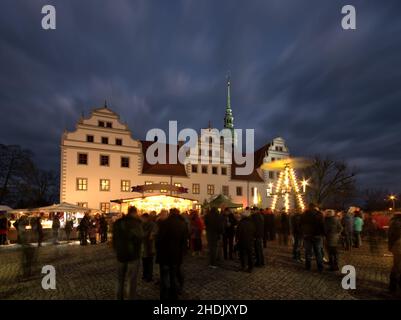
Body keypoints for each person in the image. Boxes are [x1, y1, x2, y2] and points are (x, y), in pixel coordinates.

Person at [156, 208, 188, 300]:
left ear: (170, 213)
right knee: (173, 276)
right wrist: (182, 253)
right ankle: (174, 295)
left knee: (165, 277)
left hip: (164, 255)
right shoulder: (182, 224)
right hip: (176, 255)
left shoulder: (165, 223)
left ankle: (164, 296)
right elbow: (184, 241)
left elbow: (159, 240)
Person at [112, 206, 144, 300]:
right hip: (133, 255)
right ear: (134, 212)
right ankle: (130, 298)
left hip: (120, 254)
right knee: (131, 280)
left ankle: (118, 298)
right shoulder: (136, 223)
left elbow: (114, 238)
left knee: (120, 279)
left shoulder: (118, 222)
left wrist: (117, 249)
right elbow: (140, 237)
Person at [301, 203, 325, 272]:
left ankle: (308, 266)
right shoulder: (319, 214)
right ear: (315, 207)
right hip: (317, 236)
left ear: (308, 207)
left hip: (307, 235)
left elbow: (301, 224)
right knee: (318, 252)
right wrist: (323, 234)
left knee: (308, 252)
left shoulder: (304, 214)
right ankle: (320, 267)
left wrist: (304, 232)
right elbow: (322, 225)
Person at [236, 208, 255, 273]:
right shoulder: (251, 222)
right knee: (250, 254)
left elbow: (238, 232)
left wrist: (237, 239)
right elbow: (253, 231)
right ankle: (251, 267)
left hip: (242, 241)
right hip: (250, 240)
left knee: (242, 254)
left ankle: (243, 266)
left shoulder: (241, 223)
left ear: (243, 216)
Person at [141, 213, 157, 282]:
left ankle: (149, 276)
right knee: (144, 262)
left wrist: (150, 234)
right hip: (144, 246)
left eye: (143, 218)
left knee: (149, 262)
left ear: (146, 218)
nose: (142, 219)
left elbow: (154, 232)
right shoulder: (142, 224)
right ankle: (145, 275)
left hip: (150, 246)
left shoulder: (152, 224)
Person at [388, 211, 401, 293]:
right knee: (397, 267)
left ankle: (392, 286)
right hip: (398, 246)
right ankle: (393, 287)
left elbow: (390, 236)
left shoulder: (394, 223)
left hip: (396, 246)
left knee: (396, 267)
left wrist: (391, 247)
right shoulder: (397, 224)